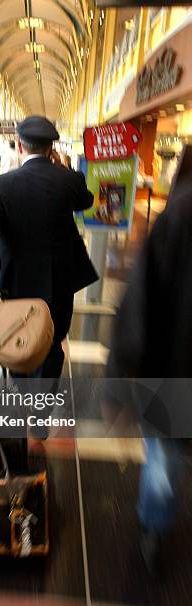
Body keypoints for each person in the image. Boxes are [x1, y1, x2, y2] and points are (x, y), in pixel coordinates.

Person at [106, 175, 192, 577]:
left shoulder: (180, 213)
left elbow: (140, 303)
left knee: (164, 454)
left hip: (177, 366)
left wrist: (119, 378)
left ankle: (155, 530)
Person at [0, 115, 97, 379]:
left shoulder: (1, 185)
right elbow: (85, 201)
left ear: (20, 147)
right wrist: (64, 168)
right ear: (51, 149)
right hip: (59, 278)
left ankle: (21, 392)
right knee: (53, 339)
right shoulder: (69, 180)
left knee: (18, 332)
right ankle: (41, 407)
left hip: (15, 278)